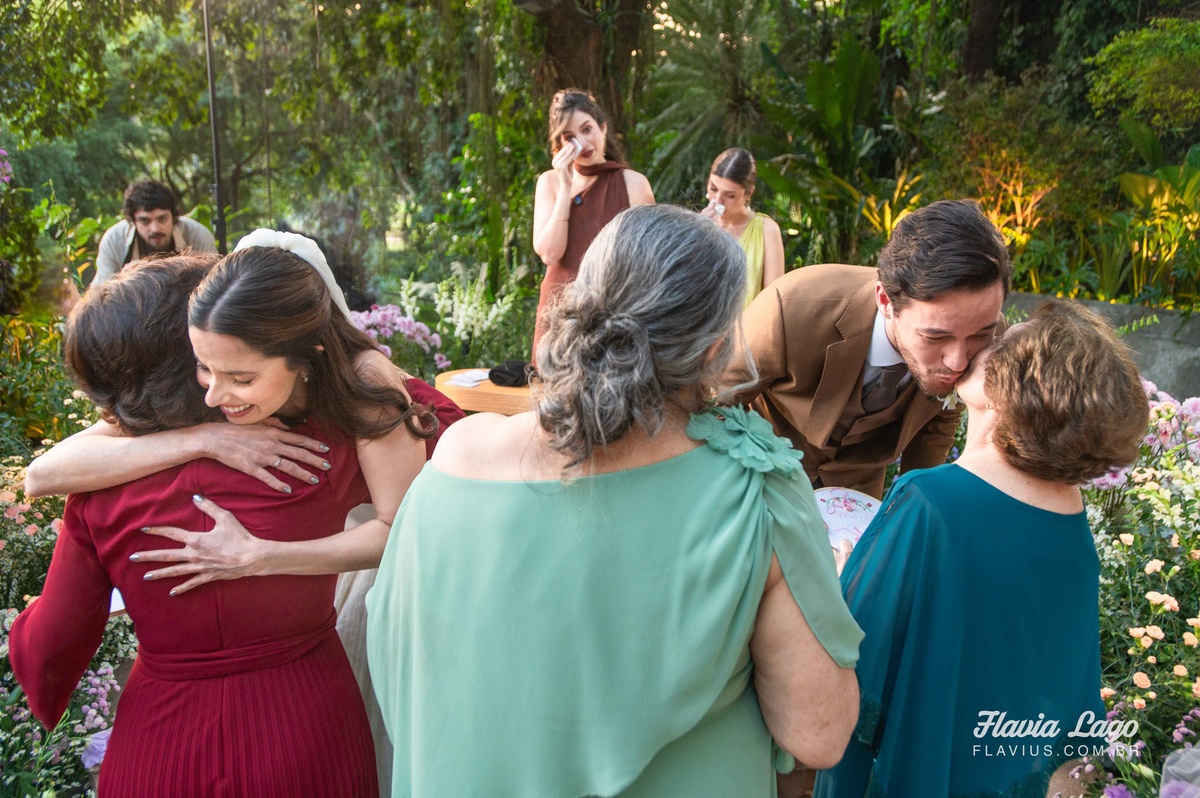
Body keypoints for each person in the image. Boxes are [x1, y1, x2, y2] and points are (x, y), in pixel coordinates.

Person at [366, 204, 864, 798]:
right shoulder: (754, 485)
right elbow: (819, 734)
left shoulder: (454, 457)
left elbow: (396, 670)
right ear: (712, 350)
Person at [23, 230, 465, 795]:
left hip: (164, 741)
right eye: (204, 368)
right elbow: (41, 474)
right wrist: (205, 439)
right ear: (189, 351)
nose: (216, 393)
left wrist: (260, 556)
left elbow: (53, 642)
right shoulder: (320, 453)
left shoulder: (100, 488)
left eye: (239, 376)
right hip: (306, 725)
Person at [813, 299, 1150, 797]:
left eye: (1001, 343)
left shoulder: (930, 502)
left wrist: (847, 582)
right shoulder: (1069, 518)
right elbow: (1070, 715)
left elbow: (852, 668)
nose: (986, 344)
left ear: (1010, 391)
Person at [728, 199, 1010, 500]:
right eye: (935, 337)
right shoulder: (790, 309)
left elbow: (936, 427)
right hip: (755, 475)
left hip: (858, 502)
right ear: (886, 301)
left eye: (980, 334)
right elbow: (712, 403)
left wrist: (914, 515)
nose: (957, 362)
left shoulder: (993, 336)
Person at [531, 88, 655, 360]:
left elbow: (647, 264)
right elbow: (550, 254)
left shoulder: (633, 184)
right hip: (559, 315)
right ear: (560, 144)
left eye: (587, 129)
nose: (582, 143)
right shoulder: (550, 182)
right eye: (570, 138)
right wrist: (565, 188)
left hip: (612, 316)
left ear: (603, 127)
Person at [701, 148, 784, 308]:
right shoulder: (700, 224)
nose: (718, 200)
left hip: (749, 329)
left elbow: (773, 301)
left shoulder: (767, 230)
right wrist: (697, 231)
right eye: (713, 189)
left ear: (748, 193)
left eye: (729, 195)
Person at [94, 179, 216, 284]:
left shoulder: (198, 236)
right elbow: (101, 299)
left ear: (174, 217)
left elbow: (216, 288)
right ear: (133, 221)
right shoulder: (114, 240)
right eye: (145, 221)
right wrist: (122, 281)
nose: (155, 229)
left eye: (162, 219)